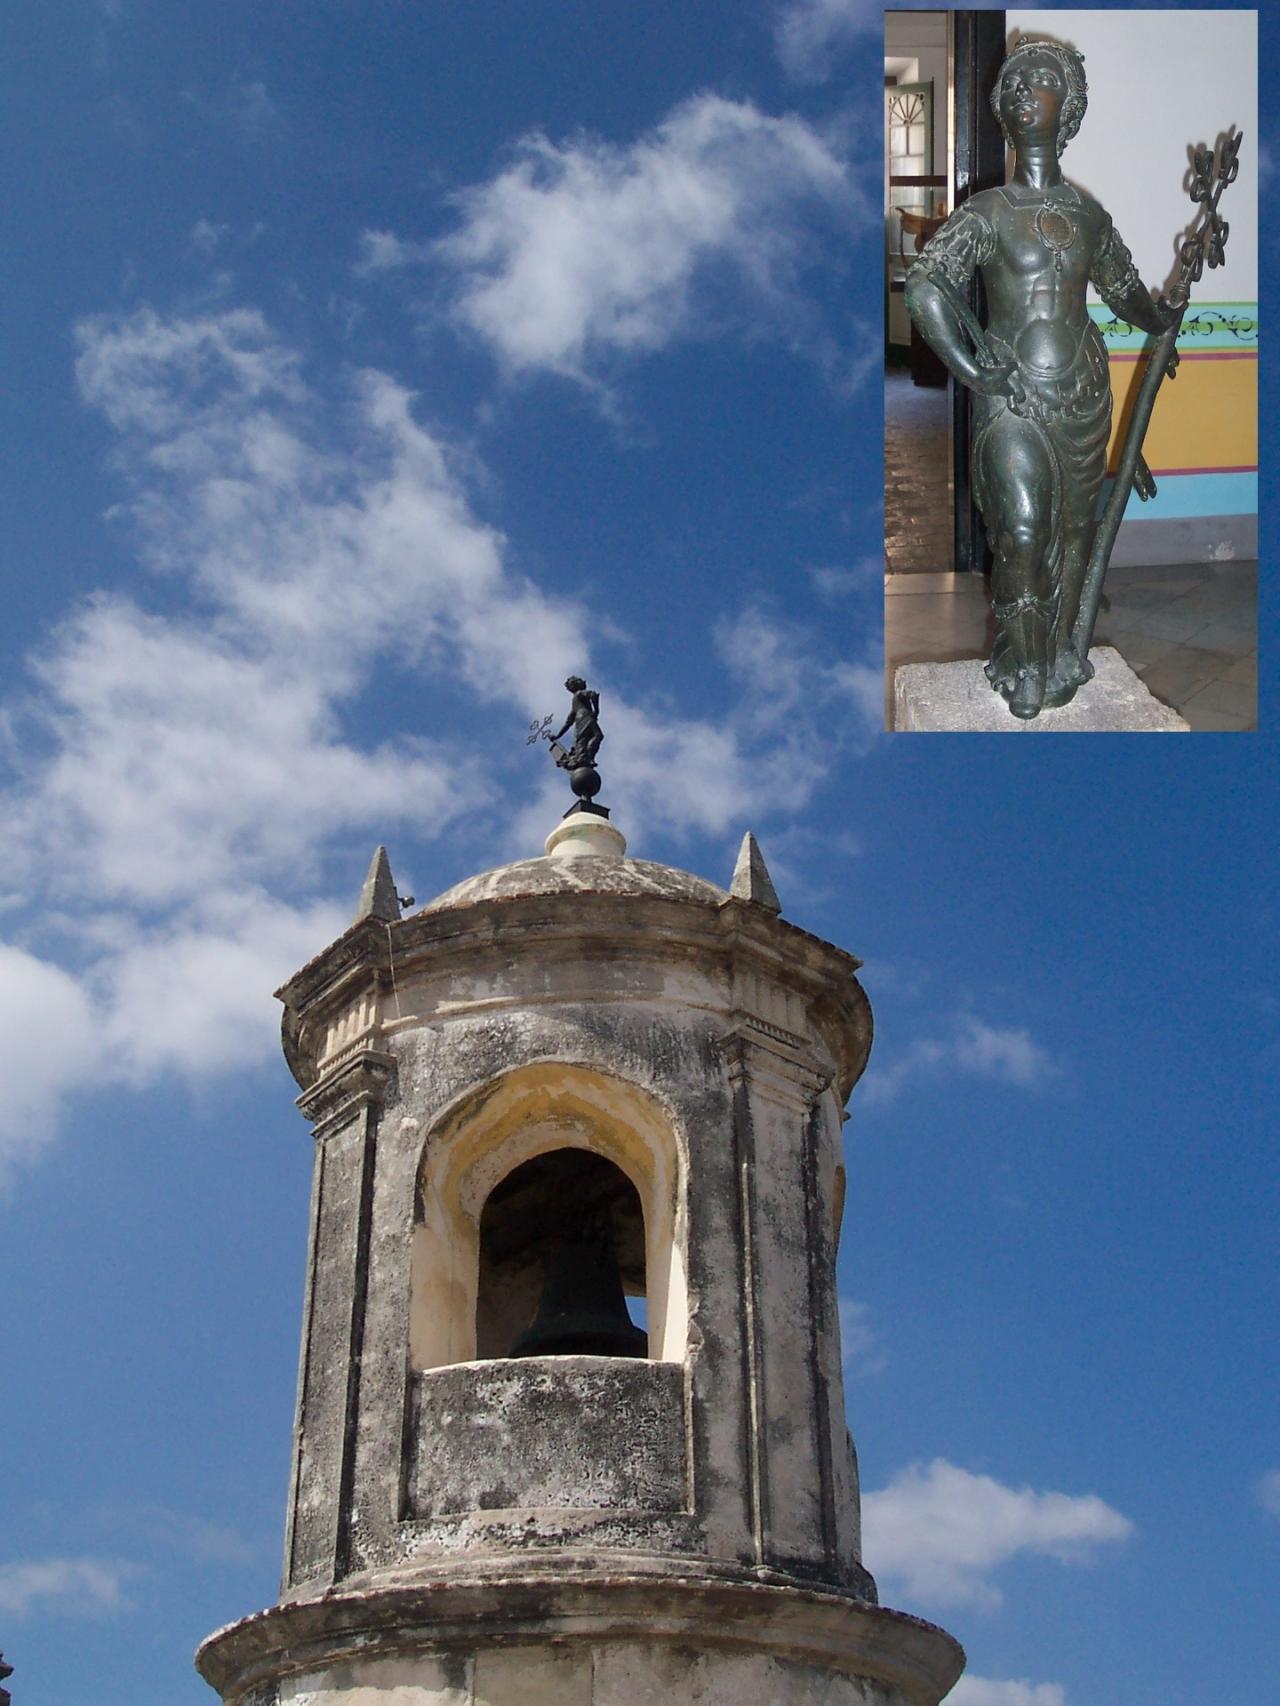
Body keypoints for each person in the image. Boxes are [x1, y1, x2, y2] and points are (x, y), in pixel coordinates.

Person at [906, 39, 1176, 718]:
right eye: (1018, 82)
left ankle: (1054, 653)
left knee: (1076, 539)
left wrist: (1164, 317)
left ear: (1070, 107)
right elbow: (927, 287)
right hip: (1014, 400)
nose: (1028, 88)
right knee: (1023, 531)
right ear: (1002, 108)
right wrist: (976, 374)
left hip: (1082, 396)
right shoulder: (988, 212)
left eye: (1045, 79)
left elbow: (1126, 294)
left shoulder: (1088, 217)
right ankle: (1022, 663)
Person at [552, 677, 603, 770]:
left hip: (581, 720)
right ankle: (586, 757)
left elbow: (568, 722)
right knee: (597, 736)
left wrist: (557, 736)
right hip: (586, 717)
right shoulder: (579, 695)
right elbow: (593, 694)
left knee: (587, 739)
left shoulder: (576, 699)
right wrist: (596, 710)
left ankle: (586, 757)